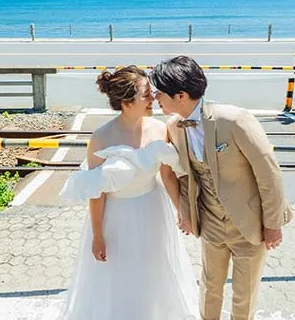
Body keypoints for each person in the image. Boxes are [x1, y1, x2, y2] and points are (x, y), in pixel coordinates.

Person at [150, 55, 293, 320]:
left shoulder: (235, 119)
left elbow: (268, 173)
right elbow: (184, 177)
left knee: (244, 294)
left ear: (180, 95)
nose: (156, 97)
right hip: (210, 222)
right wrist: (186, 214)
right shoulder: (173, 127)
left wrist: (273, 224)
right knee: (209, 287)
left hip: (250, 223)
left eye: (160, 92)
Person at [58, 65, 199, 320]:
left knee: (154, 269)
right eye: (146, 94)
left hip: (153, 210)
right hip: (117, 217)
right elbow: (96, 192)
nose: (153, 98)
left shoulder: (159, 128)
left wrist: (182, 212)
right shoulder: (101, 138)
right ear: (126, 102)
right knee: (119, 273)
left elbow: (167, 175)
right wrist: (98, 235)